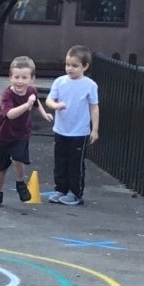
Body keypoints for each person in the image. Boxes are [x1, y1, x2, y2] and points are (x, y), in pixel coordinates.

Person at [0, 56, 51, 207]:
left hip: (21, 133)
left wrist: (44, 114)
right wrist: (26, 105)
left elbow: (36, 103)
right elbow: (10, 114)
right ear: (10, 77)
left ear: (32, 78)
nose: (20, 81)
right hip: (3, 134)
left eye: (24, 77)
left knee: (18, 159)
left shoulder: (31, 91)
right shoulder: (7, 94)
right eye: (16, 77)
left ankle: (20, 183)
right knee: (0, 167)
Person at [47, 45, 100, 206]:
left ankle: (75, 193)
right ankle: (61, 189)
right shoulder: (59, 82)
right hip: (61, 129)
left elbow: (94, 106)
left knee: (76, 164)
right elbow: (49, 100)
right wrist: (55, 106)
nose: (70, 68)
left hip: (79, 132)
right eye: (67, 64)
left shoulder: (90, 85)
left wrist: (95, 129)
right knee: (60, 161)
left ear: (85, 66)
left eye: (75, 66)